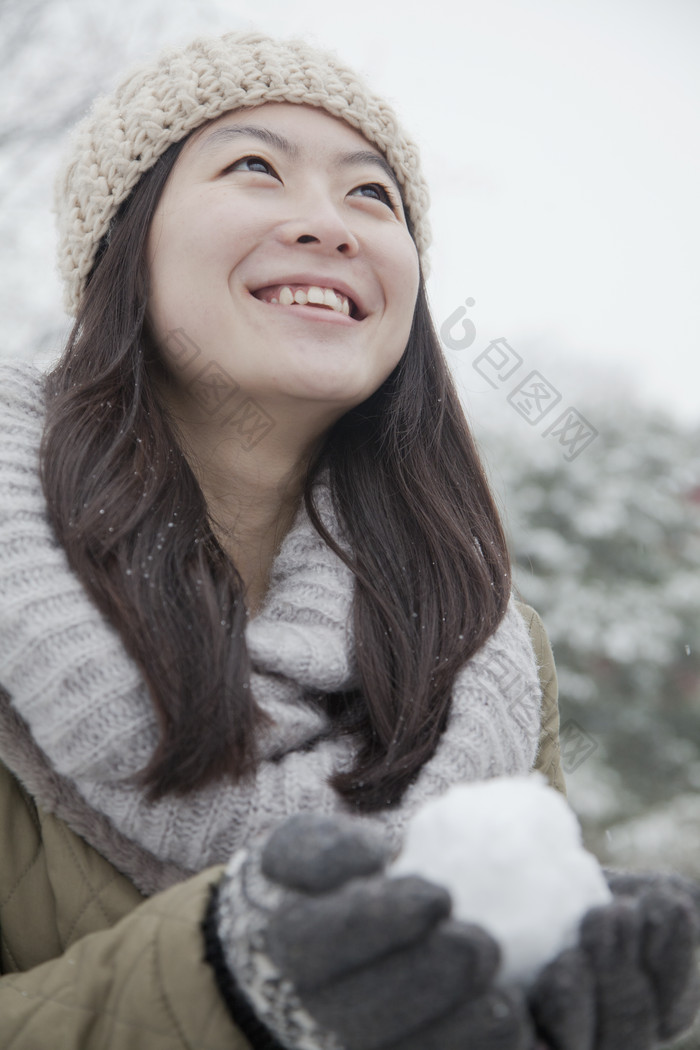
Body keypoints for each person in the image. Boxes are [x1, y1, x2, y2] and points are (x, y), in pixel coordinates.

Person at [0, 29, 697, 1050]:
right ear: (121, 243)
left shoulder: (486, 649)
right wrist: (227, 987)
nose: (330, 226)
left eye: (372, 196)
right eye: (253, 167)